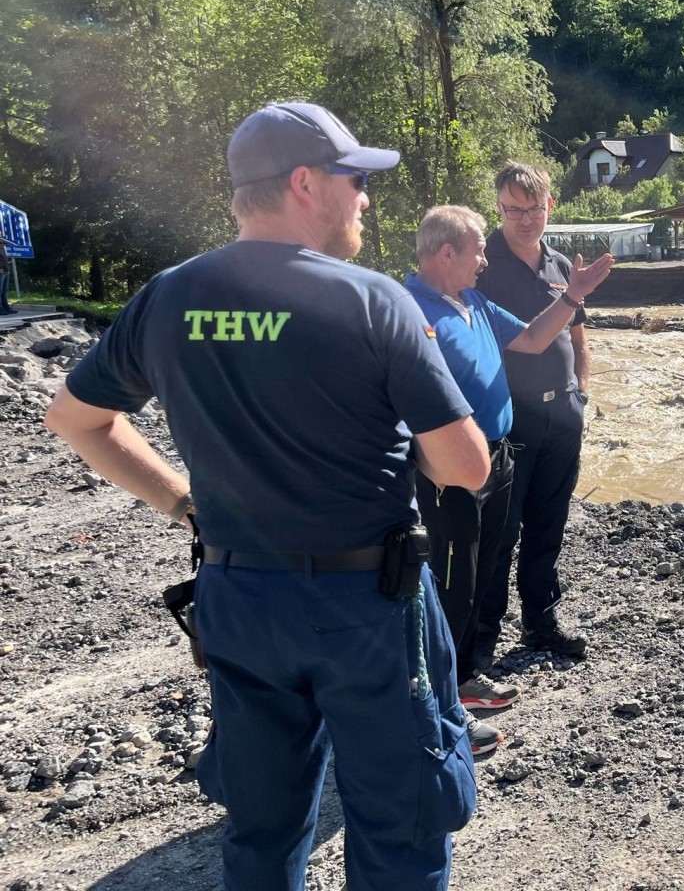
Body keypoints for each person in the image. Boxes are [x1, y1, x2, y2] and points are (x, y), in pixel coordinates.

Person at [44, 102, 493, 891]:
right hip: (370, 603)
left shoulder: (168, 298)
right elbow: (465, 467)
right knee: (401, 824)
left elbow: (77, 420)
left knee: (261, 826)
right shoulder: (371, 299)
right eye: (354, 180)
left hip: (239, 598)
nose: (364, 199)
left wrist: (186, 504)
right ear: (303, 184)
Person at [404, 205, 612, 712]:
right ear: (446, 252)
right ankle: (441, 696)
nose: (484, 258)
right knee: (454, 578)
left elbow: (537, 338)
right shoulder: (407, 308)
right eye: (478, 248)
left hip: (498, 456)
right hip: (447, 470)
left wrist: (572, 296)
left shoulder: (473, 301)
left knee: (485, 566)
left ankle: (468, 675)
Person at [474, 162, 592, 665]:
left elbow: (580, 339)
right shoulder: (482, 267)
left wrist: (581, 395)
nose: (525, 219)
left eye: (534, 208)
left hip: (562, 416)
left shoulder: (563, 265)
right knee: (499, 531)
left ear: (550, 206)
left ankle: (541, 623)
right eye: (513, 209)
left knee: (550, 523)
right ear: (498, 208)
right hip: (509, 420)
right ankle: (480, 639)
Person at [0, 238, 15, 314]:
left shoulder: (2, 243)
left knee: (4, 291)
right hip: (1, 270)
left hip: (6, 269)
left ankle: (6, 307)